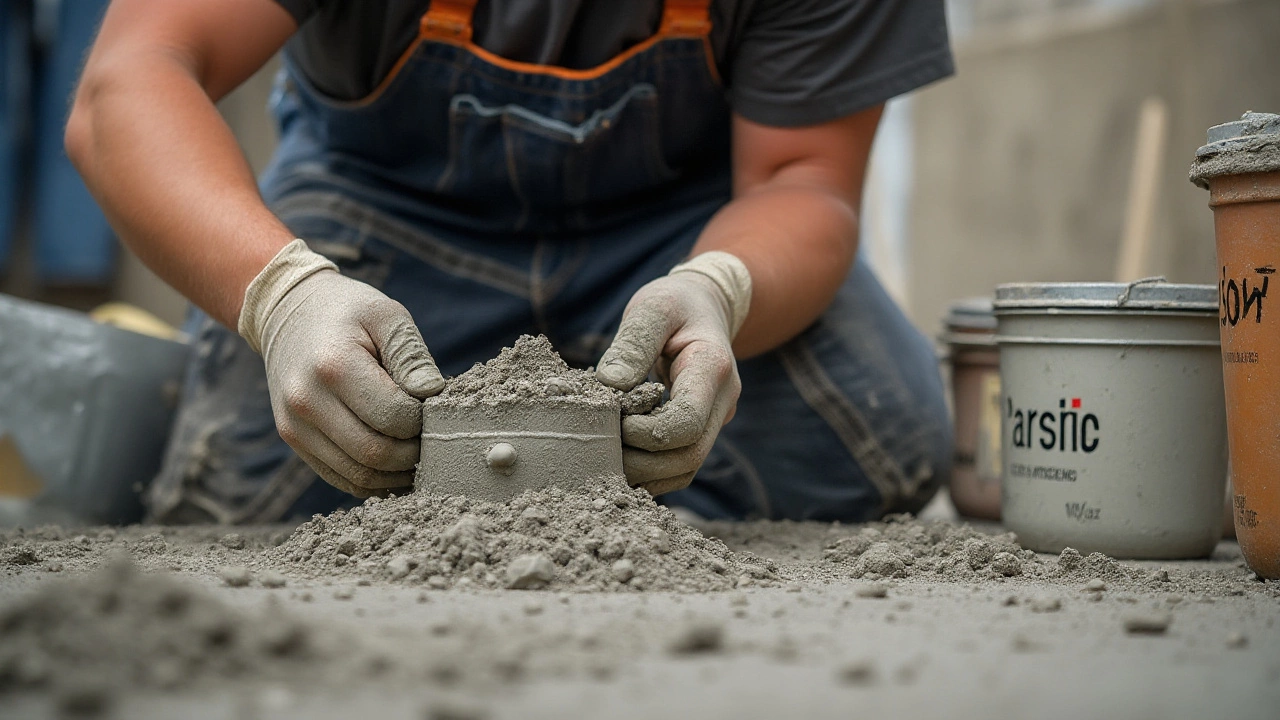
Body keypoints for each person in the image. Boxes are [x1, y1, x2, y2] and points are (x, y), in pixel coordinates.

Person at [67, 0, 955, 525]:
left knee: (881, 430)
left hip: (680, 232)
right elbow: (129, 81)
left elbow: (805, 178)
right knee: (242, 486)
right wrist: (283, 295)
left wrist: (715, 289)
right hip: (379, 225)